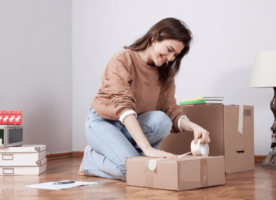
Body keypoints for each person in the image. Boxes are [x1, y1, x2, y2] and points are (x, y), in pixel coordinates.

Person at [78, 18, 210, 181]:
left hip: (130, 126)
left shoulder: (165, 74)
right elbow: (124, 108)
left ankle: (130, 157)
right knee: (134, 171)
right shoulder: (122, 59)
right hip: (103, 122)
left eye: (175, 55)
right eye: (169, 50)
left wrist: (194, 127)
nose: (169, 58)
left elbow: (170, 111)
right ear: (155, 37)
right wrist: (147, 149)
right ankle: (91, 158)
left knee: (162, 120)